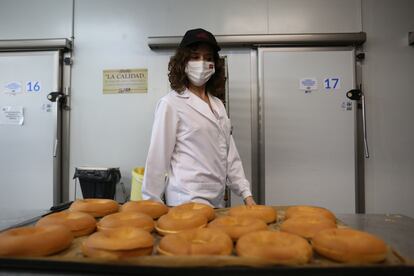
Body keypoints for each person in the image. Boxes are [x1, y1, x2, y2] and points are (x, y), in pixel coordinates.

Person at [142, 28, 256, 208]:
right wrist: (151, 205)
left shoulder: (217, 104)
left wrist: (246, 194)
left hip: (216, 198)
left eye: (207, 57)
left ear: (215, 65)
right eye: (195, 57)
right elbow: (157, 158)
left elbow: (229, 155)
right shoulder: (171, 103)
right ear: (182, 62)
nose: (202, 63)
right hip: (186, 199)